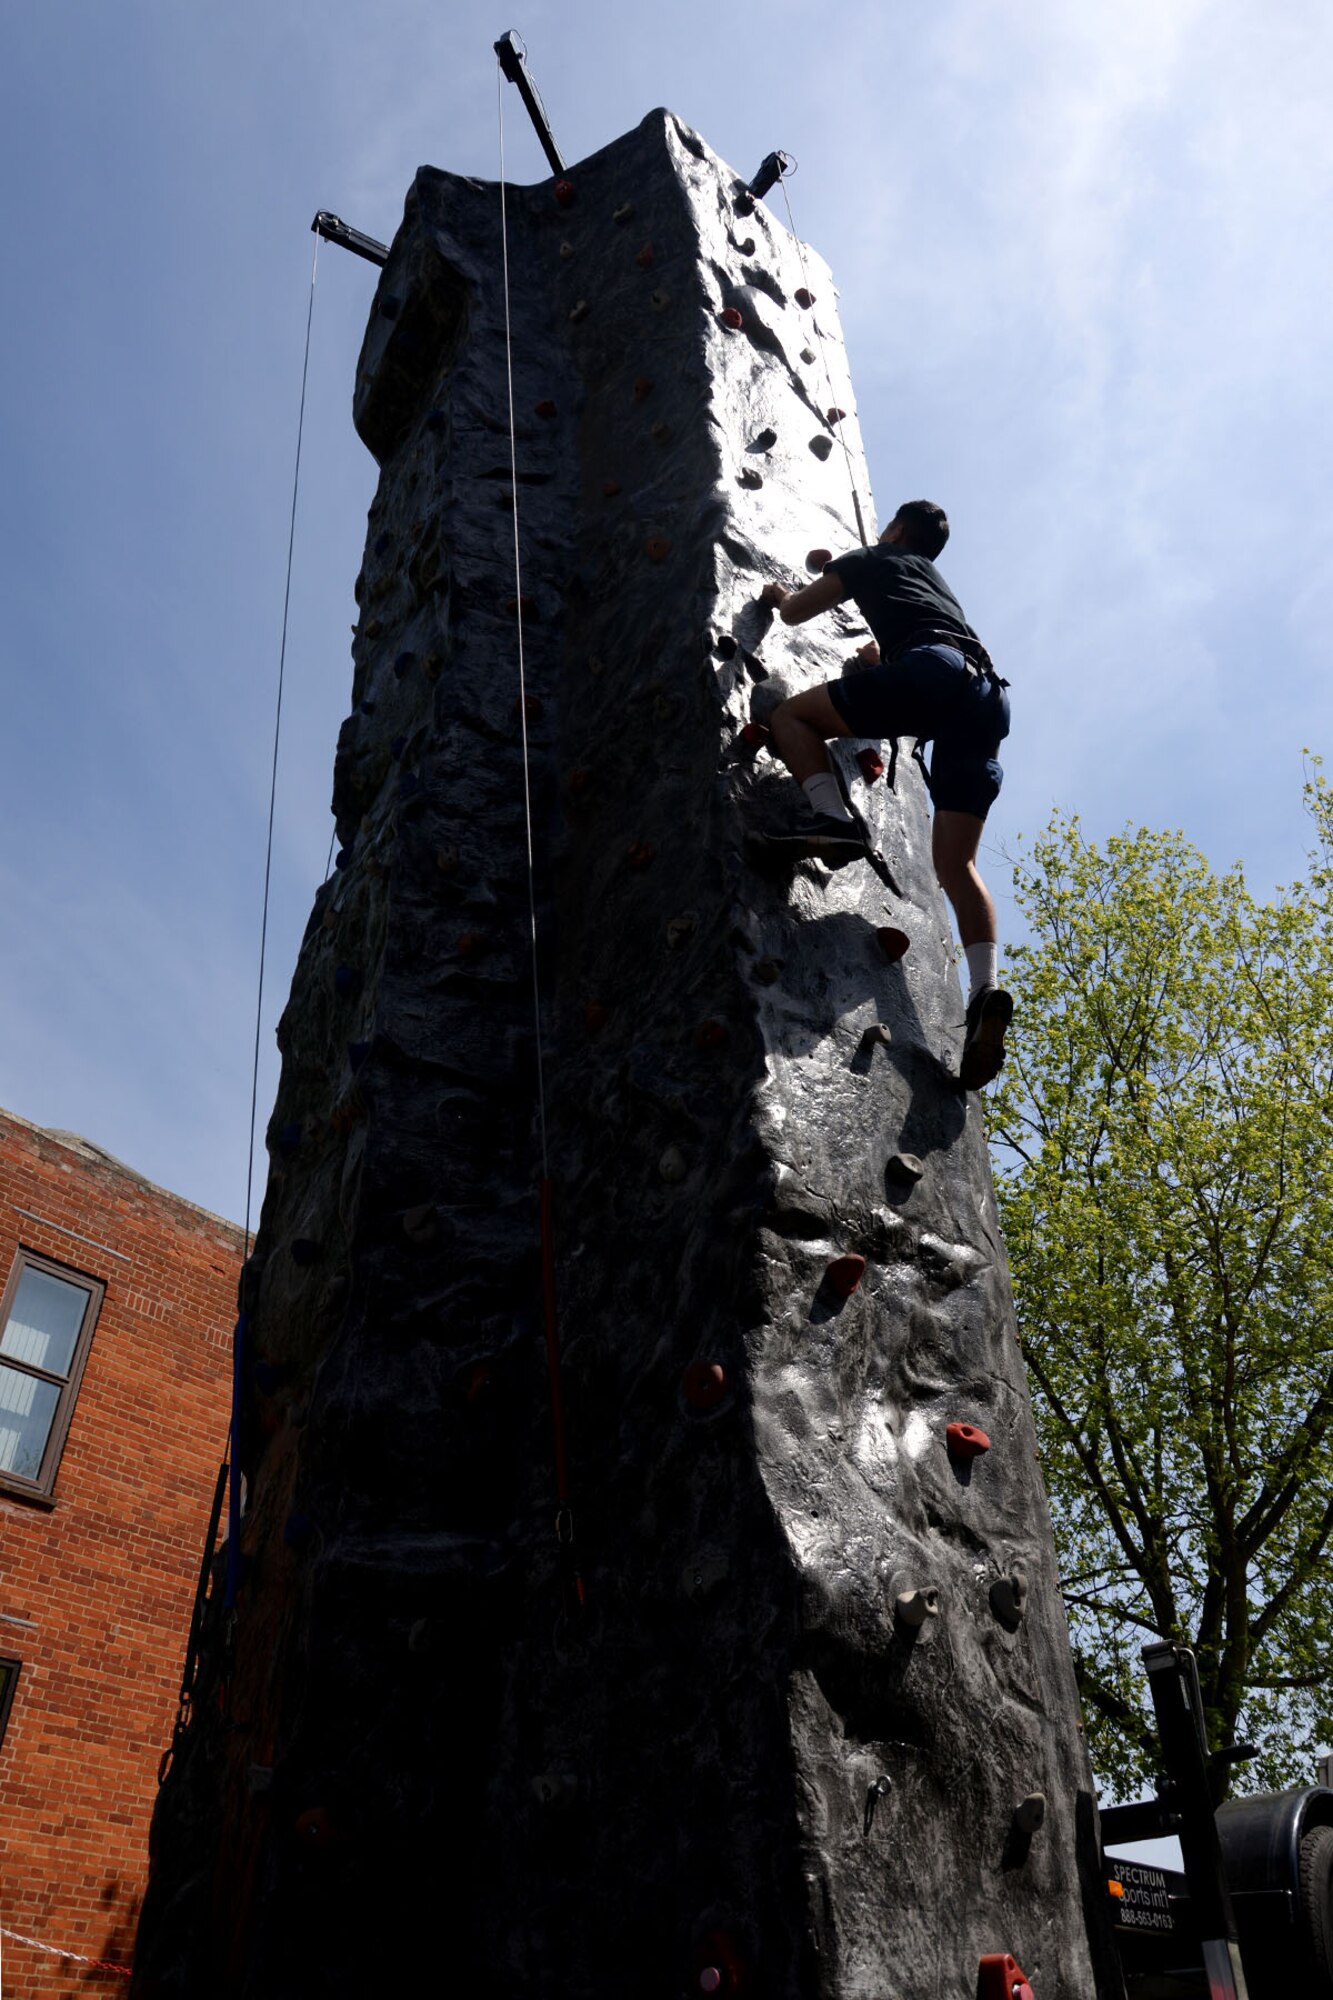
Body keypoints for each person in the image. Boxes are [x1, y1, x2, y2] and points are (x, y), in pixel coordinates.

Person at [757, 499, 1012, 1091]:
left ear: (896, 529)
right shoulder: (937, 586)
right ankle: (984, 993)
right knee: (957, 865)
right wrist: (879, 658)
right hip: (985, 695)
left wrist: (777, 595)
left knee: (792, 717)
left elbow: (796, 614)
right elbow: (923, 640)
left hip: (932, 672)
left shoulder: (874, 558)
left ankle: (833, 817)